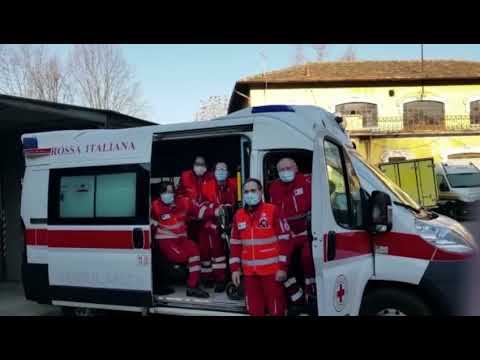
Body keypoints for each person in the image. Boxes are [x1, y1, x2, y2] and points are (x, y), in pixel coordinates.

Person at [230, 178, 290, 316]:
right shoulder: (238, 215)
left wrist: (282, 268)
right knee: (254, 311)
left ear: (260, 192)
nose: (249, 194)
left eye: (253, 190)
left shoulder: (273, 211)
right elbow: (235, 244)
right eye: (246, 191)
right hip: (250, 275)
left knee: (276, 310)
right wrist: (235, 269)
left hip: (272, 273)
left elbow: (285, 240)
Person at [268, 157, 316, 309]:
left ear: (296, 168)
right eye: (281, 170)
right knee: (279, 263)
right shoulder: (274, 187)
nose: (285, 172)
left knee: (308, 258)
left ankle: (312, 294)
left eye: (288, 168)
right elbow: (274, 213)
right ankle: (296, 297)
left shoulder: (308, 181)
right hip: (286, 234)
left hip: (307, 231)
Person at [151, 181, 209, 298]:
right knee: (181, 256)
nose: (168, 194)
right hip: (165, 241)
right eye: (165, 192)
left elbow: (199, 210)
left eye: (171, 191)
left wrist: (216, 212)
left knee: (194, 249)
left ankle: (192, 287)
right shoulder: (155, 206)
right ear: (160, 193)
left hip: (181, 240)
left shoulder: (183, 202)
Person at [198, 162, 238, 292]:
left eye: (224, 169)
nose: (221, 171)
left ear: (228, 172)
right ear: (213, 171)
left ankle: (221, 279)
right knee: (208, 253)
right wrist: (215, 210)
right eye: (218, 169)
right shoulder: (206, 187)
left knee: (222, 253)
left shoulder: (232, 185)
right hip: (208, 224)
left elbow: (237, 204)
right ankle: (208, 278)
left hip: (228, 223)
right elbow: (201, 206)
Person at [177, 155, 216, 282]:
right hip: (189, 221)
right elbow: (179, 195)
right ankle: (191, 277)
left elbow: (213, 196)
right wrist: (189, 204)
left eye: (202, 164)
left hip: (205, 219)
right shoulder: (185, 176)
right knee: (190, 250)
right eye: (197, 164)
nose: (199, 167)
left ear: (206, 166)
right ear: (193, 164)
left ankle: (206, 278)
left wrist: (205, 206)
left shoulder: (211, 177)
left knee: (206, 250)